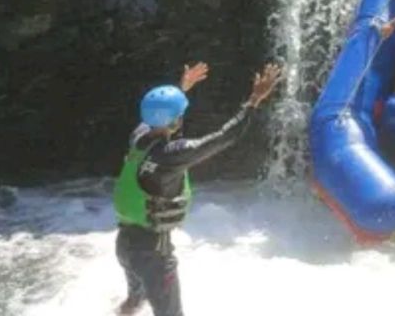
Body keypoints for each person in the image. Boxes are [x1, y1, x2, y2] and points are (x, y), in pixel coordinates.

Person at [113, 61, 283, 316]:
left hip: (125, 246)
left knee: (133, 304)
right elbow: (226, 136)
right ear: (175, 120)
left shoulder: (139, 136)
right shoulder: (171, 155)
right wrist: (254, 100)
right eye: (180, 114)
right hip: (153, 254)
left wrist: (182, 88)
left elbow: (158, 115)